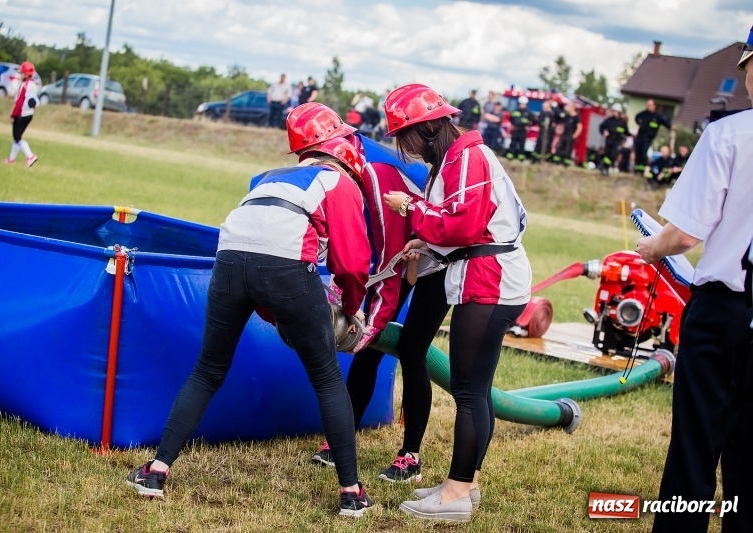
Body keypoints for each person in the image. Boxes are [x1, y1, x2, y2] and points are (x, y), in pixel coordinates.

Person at [125, 105, 376, 517]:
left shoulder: (264, 178)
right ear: (338, 145)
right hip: (286, 268)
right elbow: (351, 266)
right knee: (328, 378)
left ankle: (156, 471)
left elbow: (254, 251)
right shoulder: (339, 183)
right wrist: (352, 310)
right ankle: (351, 492)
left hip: (227, 262)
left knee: (207, 370)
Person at [382, 83, 532, 522]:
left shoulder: (468, 157)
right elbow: (457, 224)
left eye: (404, 137)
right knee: (476, 390)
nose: (405, 149)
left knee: (467, 391)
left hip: (488, 278)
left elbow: (463, 227)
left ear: (426, 128)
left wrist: (410, 208)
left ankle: (455, 494)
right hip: (487, 274)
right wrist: (422, 238)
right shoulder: (461, 156)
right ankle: (467, 482)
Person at [637, 25, 753, 533]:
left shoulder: (729, 134)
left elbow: (683, 235)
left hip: (726, 311)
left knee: (694, 447)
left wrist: (649, 246)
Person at [298, 103, 448, 486]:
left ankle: (409, 455)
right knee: (370, 349)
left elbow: (391, 266)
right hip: (400, 257)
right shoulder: (341, 181)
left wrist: (370, 321)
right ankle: (340, 441)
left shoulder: (379, 183)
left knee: (412, 350)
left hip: (438, 264)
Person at [4, 61, 39, 167]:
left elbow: (19, 102)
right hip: (29, 114)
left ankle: (30, 156)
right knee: (17, 137)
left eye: (22, 73)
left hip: (21, 114)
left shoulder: (24, 85)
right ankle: (11, 159)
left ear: (26, 74)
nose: (20, 74)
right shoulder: (33, 84)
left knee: (17, 137)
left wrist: (13, 115)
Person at [633, 99, 671, 174]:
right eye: (648, 105)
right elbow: (637, 117)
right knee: (638, 152)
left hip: (648, 138)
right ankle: (637, 170)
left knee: (644, 153)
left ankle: (643, 171)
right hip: (640, 136)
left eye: (650, 105)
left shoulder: (657, 116)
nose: (649, 107)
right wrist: (639, 123)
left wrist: (671, 127)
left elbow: (665, 122)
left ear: (654, 106)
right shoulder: (643, 113)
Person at [598, 103, 629, 176]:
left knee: (613, 155)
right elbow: (601, 127)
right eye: (614, 111)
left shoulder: (622, 122)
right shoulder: (609, 120)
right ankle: (605, 168)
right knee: (607, 154)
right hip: (609, 140)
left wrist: (631, 135)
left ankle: (603, 166)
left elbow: (626, 132)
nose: (614, 113)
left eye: (616, 111)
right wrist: (604, 132)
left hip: (617, 141)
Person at [551, 102, 581, 166]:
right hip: (564, 135)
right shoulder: (567, 115)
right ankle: (557, 161)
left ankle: (565, 163)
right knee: (559, 148)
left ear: (572, 108)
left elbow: (579, 127)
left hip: (570, 136)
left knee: (568, 150)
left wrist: (574, 136)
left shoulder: (576, 117)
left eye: (569, 107)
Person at [506, 95, 534, 161]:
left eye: (524, 104)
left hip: (523, 130)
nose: (522, 105)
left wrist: (528, 125)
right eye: (521, 104)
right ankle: (510, 155)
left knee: (522, 144)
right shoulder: (514, 111)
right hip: (515, 129)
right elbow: (511, 119)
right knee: (513, 143)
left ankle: (520, 157)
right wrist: (512, 125)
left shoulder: (528, 113)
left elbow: (532, 121)